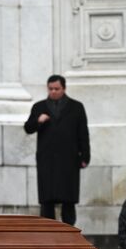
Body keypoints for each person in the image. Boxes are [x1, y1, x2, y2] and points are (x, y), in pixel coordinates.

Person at [23, 75, 90, 227]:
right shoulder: (39, 107)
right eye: (50, 89)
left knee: (68, 199)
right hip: (47, 161)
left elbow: (83, 134)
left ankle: (70, 233)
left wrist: (85, 156)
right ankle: (49, 234)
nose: (53, 92)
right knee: (47, 200)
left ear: (64, 89)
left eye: (56, 89)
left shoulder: (76, 107)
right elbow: (28, 128)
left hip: (69, 160)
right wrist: (38, 121)